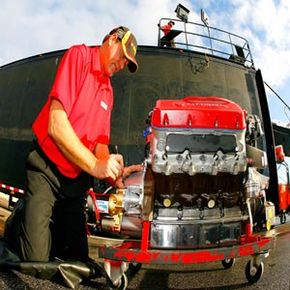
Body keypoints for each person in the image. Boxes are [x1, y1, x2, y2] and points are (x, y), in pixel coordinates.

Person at [13, 26, 141, 265]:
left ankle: (49, 225)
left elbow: (100, 144)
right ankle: (21, 219)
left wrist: (115, 174)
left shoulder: (108, 92)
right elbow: (56, 125)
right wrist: (95, 165)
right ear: (112, 39)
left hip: (75, 184)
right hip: (46, 170)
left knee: (77, 260)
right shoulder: (79, 57)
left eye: (128, 62)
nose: (123, 64)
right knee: (36, 260)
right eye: (123, 55)